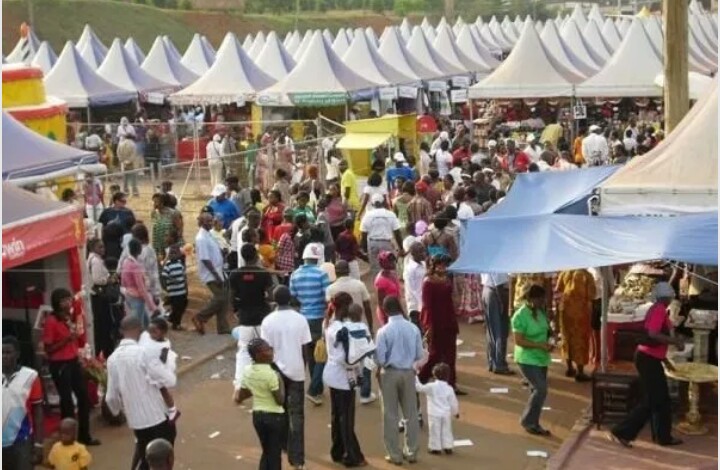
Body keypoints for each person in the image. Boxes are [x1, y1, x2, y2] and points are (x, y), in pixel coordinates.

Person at [609, 282, 685, 448]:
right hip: (647, 359)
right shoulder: (658, 309)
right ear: (665, 297)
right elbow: (652, 334)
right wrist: (675, 341)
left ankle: (663, 436)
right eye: (670, 295)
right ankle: (622, 431)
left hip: (651, 358)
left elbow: (655, 340)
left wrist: (665, 360)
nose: (672, 298)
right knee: (653, 400)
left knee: (661, 399)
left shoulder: (660, 310)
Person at [106, 316, 177, 470]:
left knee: (144, 452)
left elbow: (111, 397)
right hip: (156, 416)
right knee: (160, 456)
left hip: (135, 420)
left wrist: (119, 411)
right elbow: (165, 380)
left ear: (121, 331)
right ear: (139, 329)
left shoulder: (112, 359)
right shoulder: (143, 353)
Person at [260, 286, 312, 470]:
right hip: (296, 372)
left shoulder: (267, 322)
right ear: (290, 299)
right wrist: (303, 369)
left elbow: (266, 351)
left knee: (278, 413)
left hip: (276, 373)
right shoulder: (300, 319)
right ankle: (297, 460)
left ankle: (282, 446)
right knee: (297, 415)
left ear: (274, 300)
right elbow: (306, 349)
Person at [41, 289, 99, 447]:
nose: (67, 303)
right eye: (63, 300)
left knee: (84, 398)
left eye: (68, 299)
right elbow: (48, 349)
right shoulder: (51, 321)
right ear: (57, 303)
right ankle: (68, 440)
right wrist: (67, 340)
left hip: (73, 361)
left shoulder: (69, 317)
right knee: (66, 403)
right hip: (60, 365)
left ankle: (84, 435)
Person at [375, 296, 424, 466]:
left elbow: (380, 358)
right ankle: (411, 451)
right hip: (408, 372)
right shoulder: (413, 329)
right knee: (410, 413)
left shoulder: (383, 332)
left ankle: (394, 454)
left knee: (390, 414)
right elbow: (419, 354)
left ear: (385, 310)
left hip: (389, 373)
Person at [323, 293, 369, 467]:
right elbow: (348, 358)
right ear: (346, 307)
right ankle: (352, 455)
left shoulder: (329, 324)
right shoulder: (343, 329)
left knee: (337, 415)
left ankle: (337, 450)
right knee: (346, 418)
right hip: (344, 377)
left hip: (332, 374)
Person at [327, 260, 376, 404]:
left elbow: (329, 309)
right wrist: (370, 326)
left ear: (336, 271)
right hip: (359, 326)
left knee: (346, 358)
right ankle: (365, 393)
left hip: (340, 327)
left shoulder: (331, 288)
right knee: (365, 360)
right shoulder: (359, 285)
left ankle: (349, 386)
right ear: (348, 270)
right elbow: (367, 306)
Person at [289, 244, 331, 405]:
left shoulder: (295, 275)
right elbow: (327, 298)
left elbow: (293, 298)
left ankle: (316, 387)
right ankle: (313, 389)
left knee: (310, 354)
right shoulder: (321, 274)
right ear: (317, 258)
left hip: (303, 318)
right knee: (321, 354)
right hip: (319, 317)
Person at [235, 338, 286, 470]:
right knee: (274, 454)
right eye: (267, 350)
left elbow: (242, 395)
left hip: (258, 417)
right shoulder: (272, 374)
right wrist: (281, 381)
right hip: (274, 417)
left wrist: (258, 387)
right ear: (258, 355)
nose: (271, 351)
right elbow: (280, 400)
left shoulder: (247, 371)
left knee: (267, 451)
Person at [230, 244, 274, 390]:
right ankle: (266, 385)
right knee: (265, 351)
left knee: (243, 352)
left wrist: (236, 310)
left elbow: (232, 296)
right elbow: (271, 294)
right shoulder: (263, 273)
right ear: (256, 256)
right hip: (262, 319)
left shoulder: (235, 274)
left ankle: (239, 385)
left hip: (245, 319)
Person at [511, 285, 554, 436]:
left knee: (535, 390)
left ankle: (534, 422)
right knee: (541, 389)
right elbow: (519, 341)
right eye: (540, 299)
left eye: (543, 298)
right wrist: (538, 345)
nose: (543, 301)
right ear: (531, 299)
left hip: (541, 357)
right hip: (527, 358)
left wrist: (550, 340)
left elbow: (547, 330)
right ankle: (528, 420)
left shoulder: (541, 312)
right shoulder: (520, 316)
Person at [2, 336, 44, 469]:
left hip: (21, 440)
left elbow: (38, 411)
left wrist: (38, 444)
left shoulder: (30, 376)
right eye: (1, 352)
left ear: (17, 354)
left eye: (8, 352)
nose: (4, 356)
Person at [418, 255, 460, 391]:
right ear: (433, 266)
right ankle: (420, 379)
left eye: (444, 265)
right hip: (436, 324)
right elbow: (427, 306)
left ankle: (451, 385)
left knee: (450, 356)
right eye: (440, 265)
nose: (443, 267)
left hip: (449, 322)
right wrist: (428, 326)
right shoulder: (428, 283)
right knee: (435, 355)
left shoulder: (446, 279)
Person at [556, 270, 596, 382]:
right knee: (580, 341)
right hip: (581, 313)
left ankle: (569, 368)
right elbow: (592, 295)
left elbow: (558, 291)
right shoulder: (586, 275)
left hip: (565, 311)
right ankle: (580, 372)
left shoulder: (564, 272)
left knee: (566, 338)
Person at [192, 212, 230, 335]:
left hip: (218, 270)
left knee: (224, 297)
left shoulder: (208, 235)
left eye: (211, 220)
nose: (211, 223)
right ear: (202, 222)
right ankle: (200, 317)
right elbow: (205, 259)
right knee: (221, 297)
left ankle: (223, 327)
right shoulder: (201, 238)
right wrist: (216, 275)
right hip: (210, 274)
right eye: (208, 221)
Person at [139, 318, 179, 421]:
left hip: (157, 370)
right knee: (152, 391)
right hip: (149, 368)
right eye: (150, 331)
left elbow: (162, 360)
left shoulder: (164, 346)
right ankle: (157, 410)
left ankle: (173, 409)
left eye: (154, 331)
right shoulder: (148, 338)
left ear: (163, 333)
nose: (151, 334)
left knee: (162, 389)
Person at [415, 363, 459, 455]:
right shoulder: (449, 388)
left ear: (434, 375)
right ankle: (448, 446)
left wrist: (415, 377)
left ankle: (435, 447)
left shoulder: (431, 386)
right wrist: (456, 412)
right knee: (447, 430)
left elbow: (419, 388)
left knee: (434, 431)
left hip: (434, 413)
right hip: (446, 414)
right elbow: (453, 402)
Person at [360, 193, 404, 279]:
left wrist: (365, 250)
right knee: (389, 268)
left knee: (376, 270)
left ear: (372, 204)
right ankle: (390, 287)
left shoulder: (367, 215)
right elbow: (397, 232)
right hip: (386, 244)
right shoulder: (390, 214)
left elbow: (363, 234)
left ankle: (379, 288)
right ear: (383, 202)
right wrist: (401, 248)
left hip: (372, 244)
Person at [87, 239, 117, 358]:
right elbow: (97, 280)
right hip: (100, 296)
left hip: (98, 296)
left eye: (103, 247)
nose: (103, 249)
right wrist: (109, 279)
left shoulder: (93, 259)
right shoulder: (95, 261)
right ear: (93, 248)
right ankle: (106, 350)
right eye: (100, 247)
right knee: (104, 324)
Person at [121, 239, 157, 330]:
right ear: (138, 249)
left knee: (145, 323)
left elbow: (123, 281)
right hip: (137, 297)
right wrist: (152, 306)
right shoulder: (135, 266)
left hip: (129, 295)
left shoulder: (126, 262)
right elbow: (141, 288)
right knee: (139, 327)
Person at [481, 272, 513, 375]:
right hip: (497, 292)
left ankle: (492, 362)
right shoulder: (498, 260)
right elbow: (499, 282)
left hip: (488, 290)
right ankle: (499, 364)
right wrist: (502, 301)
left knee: (492, 331)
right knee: (500, 331)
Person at [98, 192, 137, 261]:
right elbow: (101, 227)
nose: (124, 203)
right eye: (122, 201)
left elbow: (133, 226)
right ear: (115, 201)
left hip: (124, 242)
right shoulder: (107, 212)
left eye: (125, 201)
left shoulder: (128, 212)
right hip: (109, 242)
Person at [161, 244, 188, 331]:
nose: (173, 255)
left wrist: (185, 284)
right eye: (171, 253)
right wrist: (172, 280)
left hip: (182, 290)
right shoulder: (168, 265)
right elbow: (164, 276)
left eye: (175, 253)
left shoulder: (180, 263)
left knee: (183, 306)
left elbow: (183, 275)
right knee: (177, 308)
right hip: (174, 292)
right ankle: (176, 324)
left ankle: (172, 318)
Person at [152, 193, 183, 259]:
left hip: (171, 247)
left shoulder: (173, 213)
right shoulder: (154, 213)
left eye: (156, 202)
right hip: (159, 246)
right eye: (153, 202)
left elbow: (180, 230)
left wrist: (174, 246)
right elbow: (155, 230)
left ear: (162, 202)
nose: (154, 204)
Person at [375, 251, 402, 326]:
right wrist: (385, 320)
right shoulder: (380, 281)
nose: (393, 262)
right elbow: (380, 303)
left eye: (393, 260)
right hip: (388, 313)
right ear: (384, 263)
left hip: (395, 309)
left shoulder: (392, 274)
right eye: (390, 261)